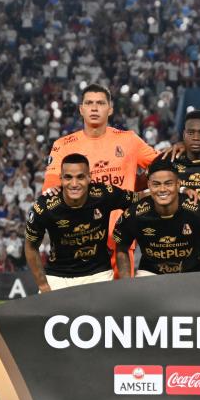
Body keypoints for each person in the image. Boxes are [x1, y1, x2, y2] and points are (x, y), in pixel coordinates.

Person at [42, 84, 159, 277]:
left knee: (120, 302)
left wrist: (137, 182)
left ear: (110, 108)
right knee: (82, 305)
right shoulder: (63, 145)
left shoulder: (129, 140)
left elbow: (161, 168)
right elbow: (51, 186)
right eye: (89, 103)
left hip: (120, 237)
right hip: (79, 239)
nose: (94, 108)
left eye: (100, 103)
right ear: (81, 109)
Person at [25, 154, 139, 292]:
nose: (74, 184)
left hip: (98, 275)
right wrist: (43, 285)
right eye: (68, 177)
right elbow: (30, 246)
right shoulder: (44, 207)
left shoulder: (104, 194)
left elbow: (138, 200)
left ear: (89, 177)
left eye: (80, 177)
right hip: (57, 277)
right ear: (60, 178)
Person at [113, 160, 200, 276]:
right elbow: (121, 249)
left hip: (192, 272)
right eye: (156, 184)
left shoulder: (199, 212)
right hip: (150, 273)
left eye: (168, 183)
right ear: (149, 186)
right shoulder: (133, 214)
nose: (162, 189)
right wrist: (127, 282)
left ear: (178, 184)